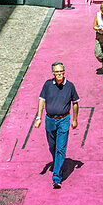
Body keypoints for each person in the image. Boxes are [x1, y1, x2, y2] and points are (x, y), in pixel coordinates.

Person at [34, 61, 79, 189]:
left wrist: (75, 119)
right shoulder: (47, 85)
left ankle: (56, 177)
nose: (59, 74)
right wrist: (39, 117)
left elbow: (75, 103)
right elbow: (42, 100)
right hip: (50, 120)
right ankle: (58, 162)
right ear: (53, 73)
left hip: (64, 120)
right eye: (57, 72)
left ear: (64, 72)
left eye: (61, 72)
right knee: (52, 146)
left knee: (60, 148)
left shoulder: (70, 86)